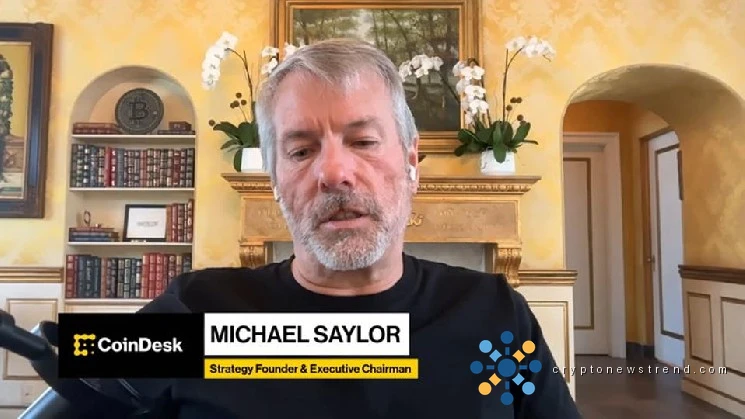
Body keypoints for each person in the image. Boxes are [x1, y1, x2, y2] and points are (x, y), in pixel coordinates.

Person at [136, 38, 582, 418]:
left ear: (411, 162)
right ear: (273, 181)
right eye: (301, 151)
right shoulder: (193, 310)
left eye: (364, 141)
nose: (334, 173)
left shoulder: (495, 314)